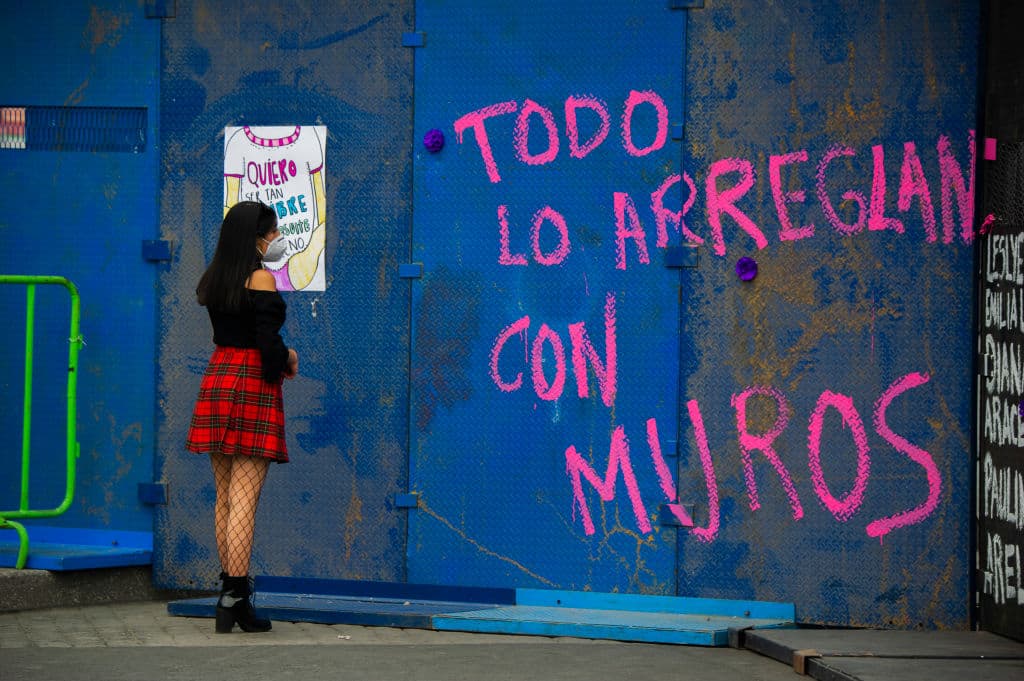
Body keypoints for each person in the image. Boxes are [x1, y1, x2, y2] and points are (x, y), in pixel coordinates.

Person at [185, 201, 298, 633]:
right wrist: (287, 356)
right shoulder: (262, 278)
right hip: (250, 384)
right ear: (256, 239)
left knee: (225, 497)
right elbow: (268, 345)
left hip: (217, 379)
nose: (276, 240)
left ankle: (230, 598)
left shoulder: (215, 280)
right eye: (272, 233)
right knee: (245, 502)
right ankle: (236, 597)